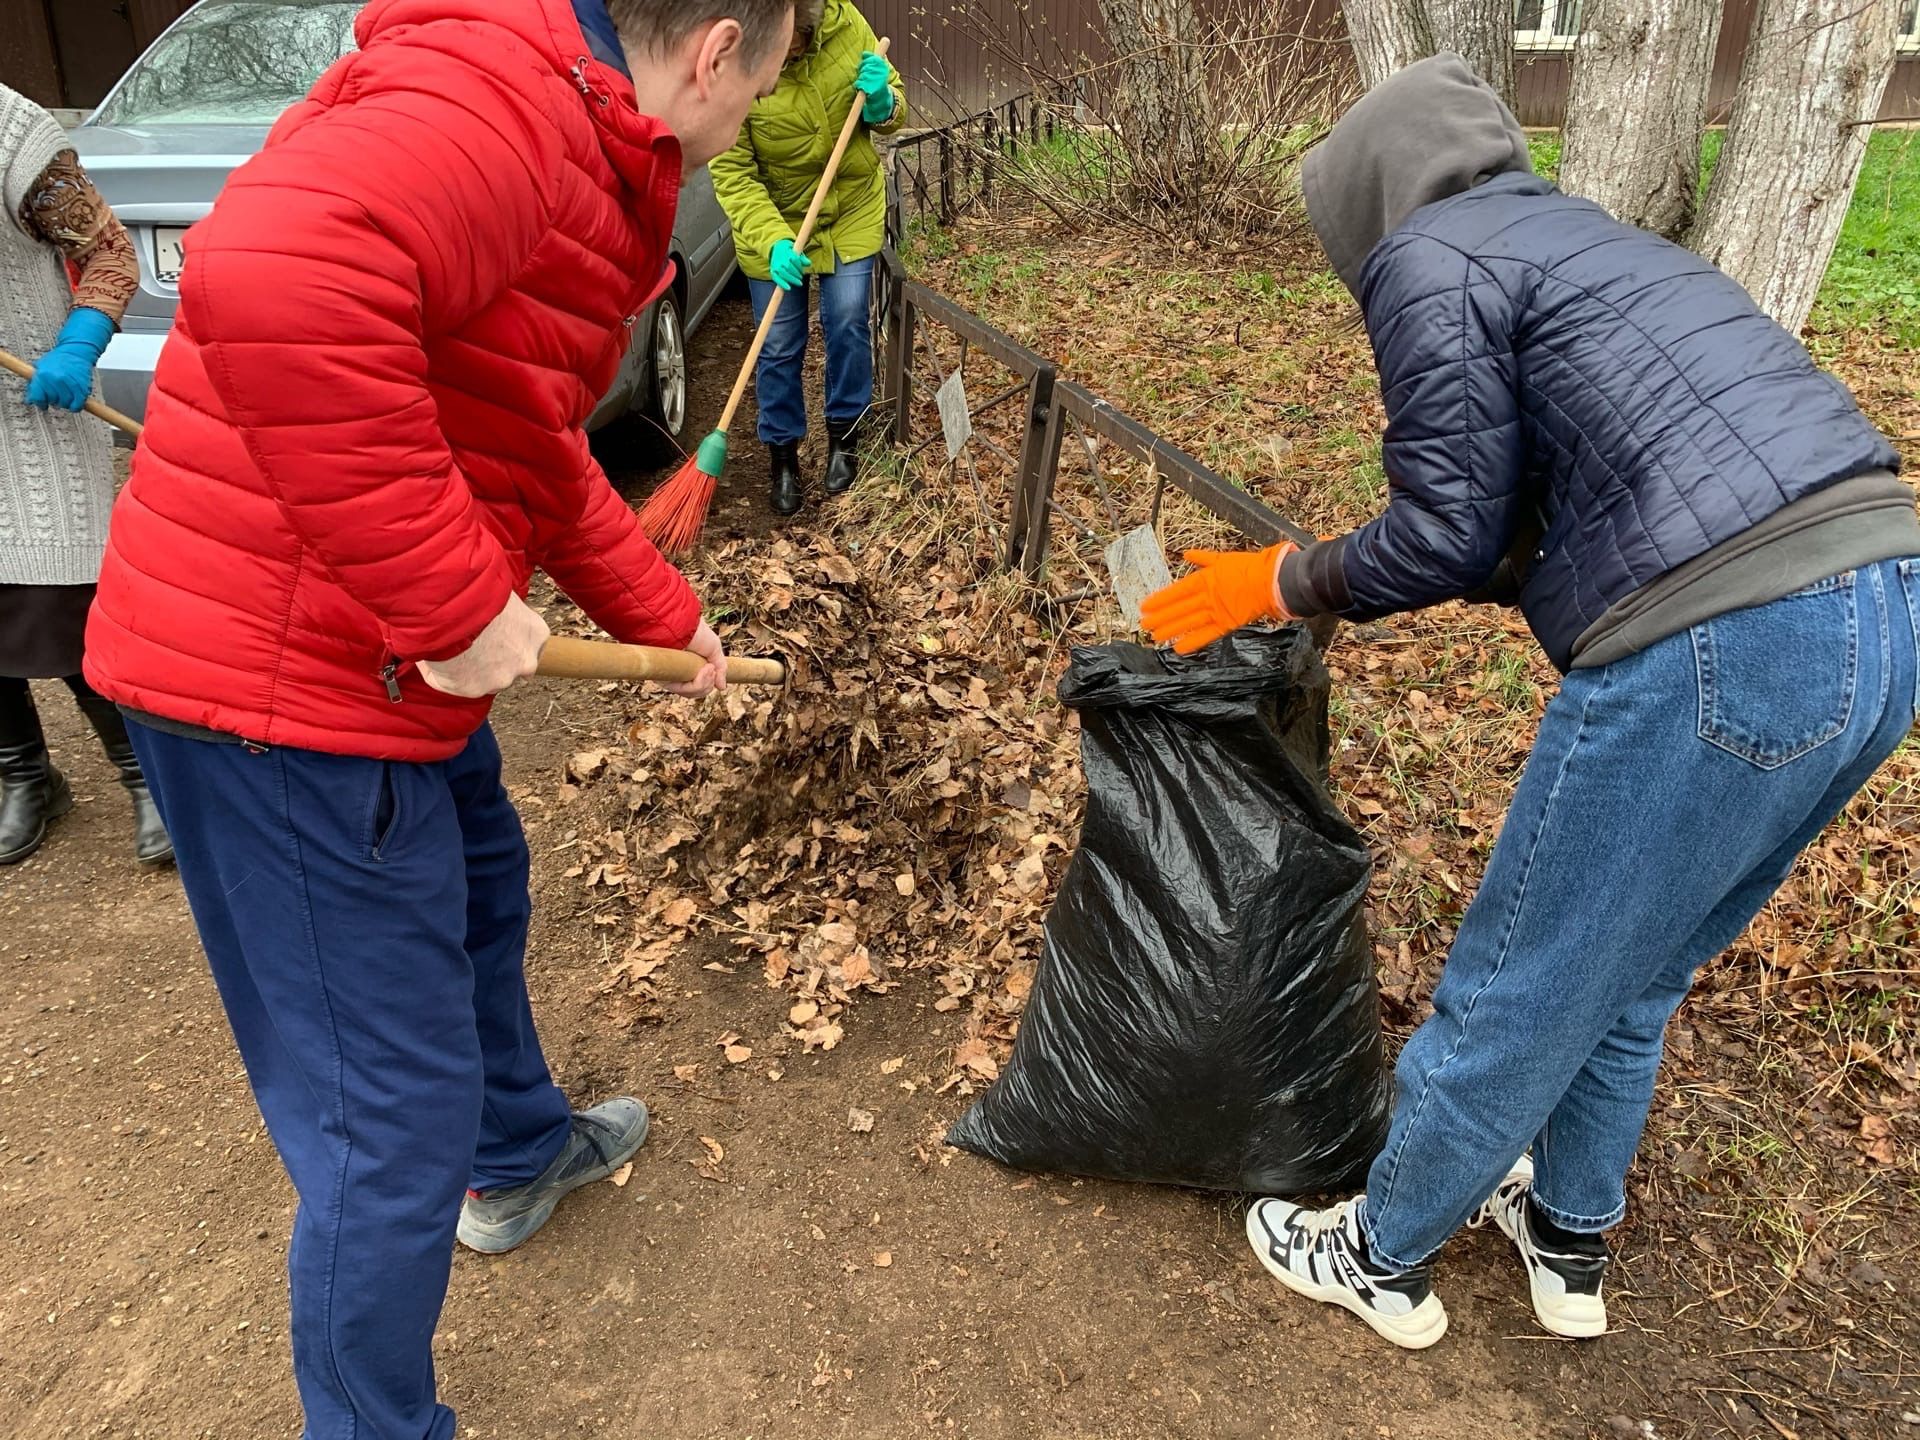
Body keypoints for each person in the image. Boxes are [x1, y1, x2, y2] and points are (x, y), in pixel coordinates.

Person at [81, 0, 791, 1434]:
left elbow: (522, 423)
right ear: (717, 52)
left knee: (480, 886)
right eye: (761, 93)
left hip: (366, 653)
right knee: (379, 1127)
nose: (745, 129)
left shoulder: (573, 130)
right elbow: (275, 282)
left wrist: (662, 611)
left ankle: (517, 1151)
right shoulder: (504, 112)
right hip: (282, 687)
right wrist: (459, 601)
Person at [1142, 54, 1916, 1351]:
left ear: (1372, 198)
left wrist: (1283, 579)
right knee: (1641, 967)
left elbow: (1446, 532)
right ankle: (1567, 1238)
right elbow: (1534, 523)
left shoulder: (1428, 254)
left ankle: (1379, 1251)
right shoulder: (1586, 243)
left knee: (1524, 972)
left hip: (1717, 632)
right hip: (1883, 610)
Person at [0, 80, 170, 867]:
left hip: (32, 411)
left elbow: (109, 251)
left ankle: (147, 777)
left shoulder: (14, 136)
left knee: (61, 609)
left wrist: (79, 341)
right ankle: (25, 777)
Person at [710, 0, 903, 516]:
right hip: (774, 216)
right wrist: (772, 240)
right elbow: (732, 173)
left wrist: (882, 101)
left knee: (846, 321)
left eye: (793, 42)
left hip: (850, 206)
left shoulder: (846, 25)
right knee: (776, 344)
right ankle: (783, 455)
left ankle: (845, 435)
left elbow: (892, 107)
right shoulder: (730, 56)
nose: (783, 54)